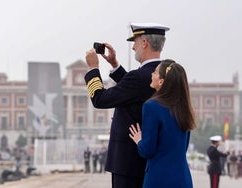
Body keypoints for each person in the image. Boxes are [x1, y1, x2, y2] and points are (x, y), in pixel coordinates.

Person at [84, 22, 169, 188]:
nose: (133, 48)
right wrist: (115, 65)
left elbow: (100, 99)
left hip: (127, 164)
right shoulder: (165, 74)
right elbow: (134, 89)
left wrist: (93, 68)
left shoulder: (138, 78)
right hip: (147, 161)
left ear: (144, 43)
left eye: (135, 42)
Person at [129, 60, 197, 188]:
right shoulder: (184, 108)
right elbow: (183, 147)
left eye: (155, 72)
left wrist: (139, 140)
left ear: (161, 81)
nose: (151, 74)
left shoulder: (151, 107)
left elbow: (147, 150)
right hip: (183, 179)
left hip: (158, 179)